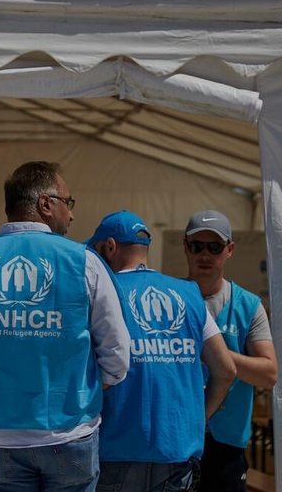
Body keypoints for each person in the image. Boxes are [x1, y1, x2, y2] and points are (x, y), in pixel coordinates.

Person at [0, 161, 131, 492]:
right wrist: (84, 391)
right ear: (45, 204)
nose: (71, 215)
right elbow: (117, 355)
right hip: (69, 431)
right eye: (68, 203)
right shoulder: (84, 263)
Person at [85, 210, 236, 492]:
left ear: (110, 247)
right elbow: (226, 370)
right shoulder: (189, 294)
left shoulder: (102, 293)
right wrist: (195, 419)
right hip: (176, 452)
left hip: (115, 450)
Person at [183, 210, 279, 492]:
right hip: (178, 437)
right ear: (184, 247)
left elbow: (269, 374)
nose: (205, 255)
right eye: (196, 246)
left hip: (227, 446)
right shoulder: (169, 299)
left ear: (229, 250)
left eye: (214, 247)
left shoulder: (248, 305)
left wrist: (219, 356)